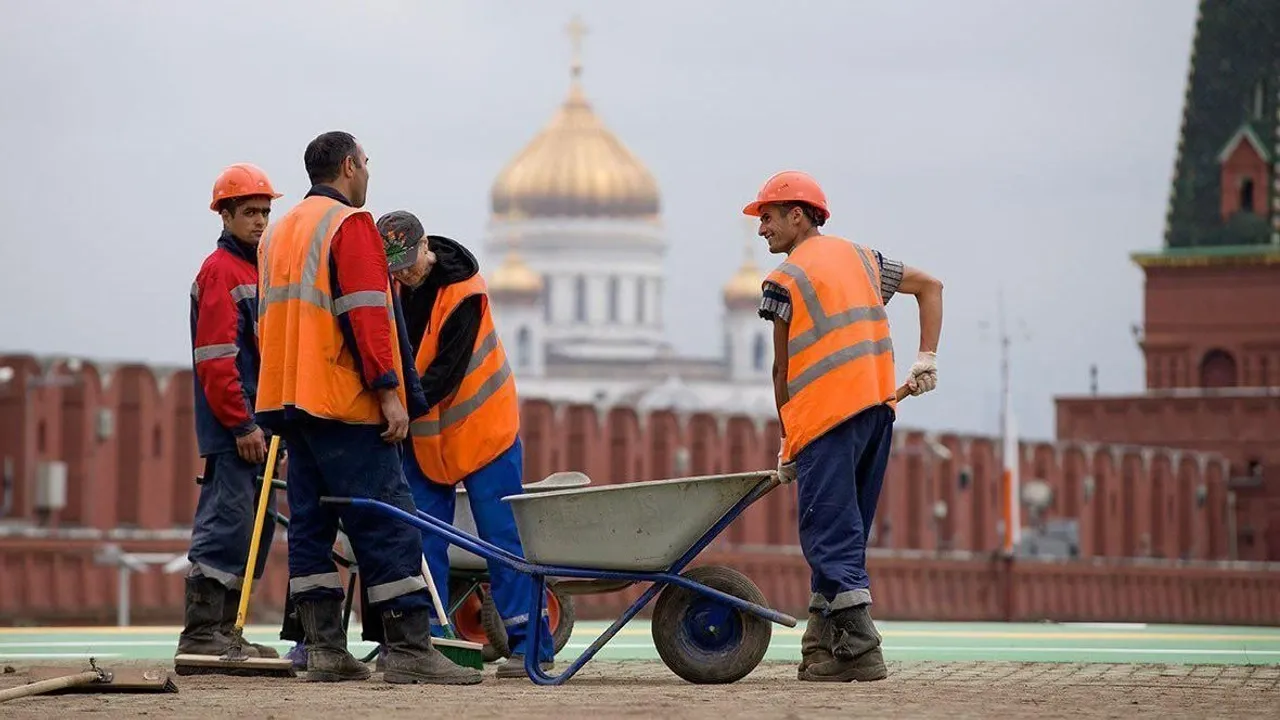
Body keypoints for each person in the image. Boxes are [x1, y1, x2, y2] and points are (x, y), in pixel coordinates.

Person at [254, 130, 481, 686]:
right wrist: (388, 391)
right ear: (350, 166)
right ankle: (408, 649)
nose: (369, 174)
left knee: (311, 524)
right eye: (367, 163)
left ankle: (325, 649)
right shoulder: (349, 226)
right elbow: (366, 315)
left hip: (288, 401)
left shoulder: (278, 233)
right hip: (342, 402)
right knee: (386, 520)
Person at [745, 170, 943, 683]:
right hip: (877, 412)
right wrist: (927, 359)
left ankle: (859, 647)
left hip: (826, 420)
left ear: (798, 214)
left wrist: (788, 442)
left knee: (827, 532)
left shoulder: (783, 280)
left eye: (767, 217)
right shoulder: (864, 259)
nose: (761, 228)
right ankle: (821, 643)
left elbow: (782, 370)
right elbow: (931, 286)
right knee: (844, 530)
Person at [375, 210, 556, 679]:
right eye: (392, 267)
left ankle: (531, 647)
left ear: (425, 249)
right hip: (429, 435)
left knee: (502, 538)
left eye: (408, 263)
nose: (403, 274)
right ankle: (429, 644)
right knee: (420, 537)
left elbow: (442, 375)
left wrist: (393, 409)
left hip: (484, 429)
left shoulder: (464, 294)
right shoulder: (394, 288)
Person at [180, 163, 284, 661]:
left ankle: (228, 633)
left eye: (265, 212)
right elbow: (216, 359)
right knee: (228, 523)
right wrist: (241, 423)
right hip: (236, 430)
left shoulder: (258, 269)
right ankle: (203, 633)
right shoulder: (222, 271)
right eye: (249, 212)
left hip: (259, 427)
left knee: (254, 528)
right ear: (225, 215)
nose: (261, 221)